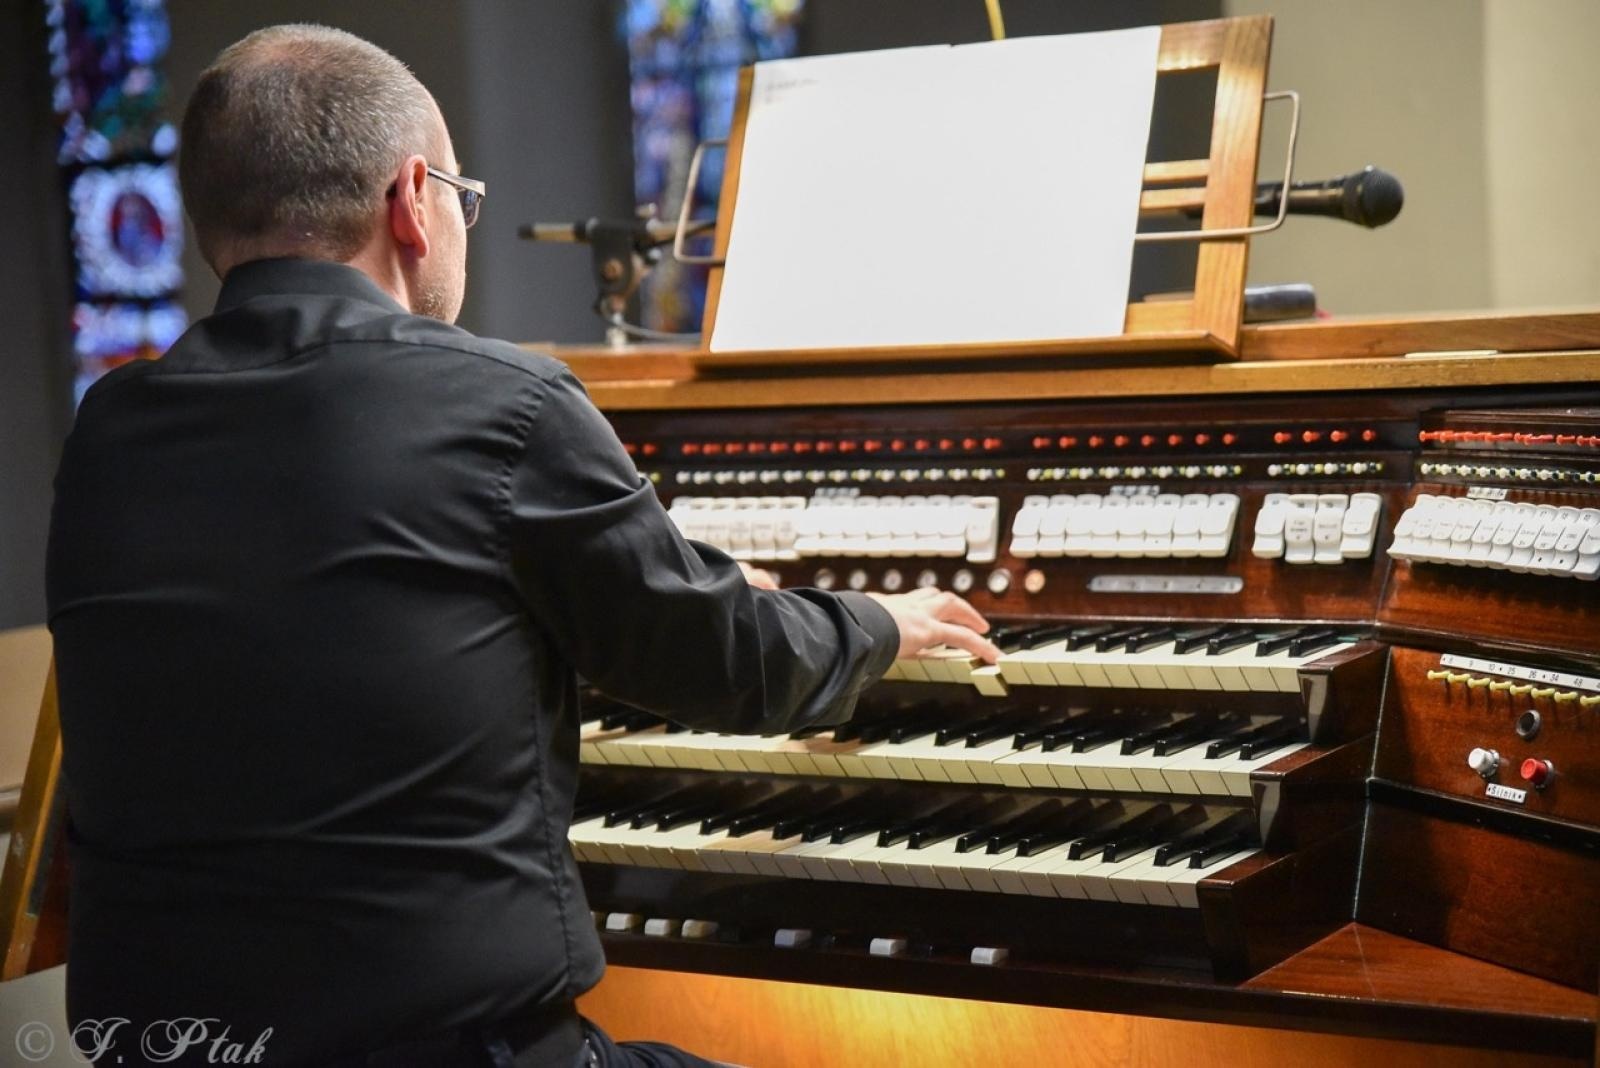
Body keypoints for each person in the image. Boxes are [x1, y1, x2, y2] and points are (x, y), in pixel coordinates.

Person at [45, 24, 998, 1068]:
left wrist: (612, 600)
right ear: (414, 199)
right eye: (463, 193)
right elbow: (727, 663)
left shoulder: (111, 430)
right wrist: (878, 621)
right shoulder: (501, 402)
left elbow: (359, 640)